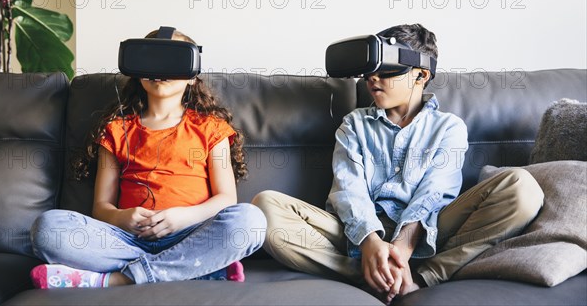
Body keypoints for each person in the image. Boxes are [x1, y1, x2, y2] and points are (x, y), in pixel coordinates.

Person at [252, 24, 544, 304]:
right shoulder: (354, 125)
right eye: (370, 72)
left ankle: (423, 276)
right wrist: (370, 242)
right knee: (265, 208)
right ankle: (377, 275)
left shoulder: (448, 127)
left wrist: (402, 248)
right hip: (355, 236)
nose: (373, 79)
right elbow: (348, 189)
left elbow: (435, 192)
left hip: (430, 231)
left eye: (387, 71)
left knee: (522, 188)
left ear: (420, 75)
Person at [30, 28, 267, 289]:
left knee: (250, 221)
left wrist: (182, 218)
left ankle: (116, 279)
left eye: (172, 62)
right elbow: (101, 207)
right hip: (127, 238)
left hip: (191, 234)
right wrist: (123, 218)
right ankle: (190, 268)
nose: (161, 72)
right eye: (153, 61)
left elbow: (226, 199)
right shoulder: (116, 129)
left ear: (192, 76)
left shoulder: (211, 128)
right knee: (48, 228)